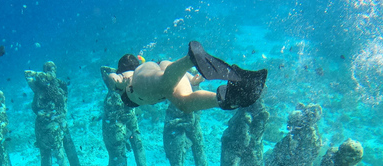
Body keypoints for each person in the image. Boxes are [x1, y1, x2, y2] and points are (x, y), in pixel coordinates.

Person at [105, 41, 267, 112]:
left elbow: (112, 76)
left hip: (142, 83)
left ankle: (190, 59)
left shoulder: (129, 75)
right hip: (168, 68)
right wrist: (193, 79)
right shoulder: (142, 69)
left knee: (164, 82)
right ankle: (228, 99)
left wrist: (116, 79)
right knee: (185, 103)